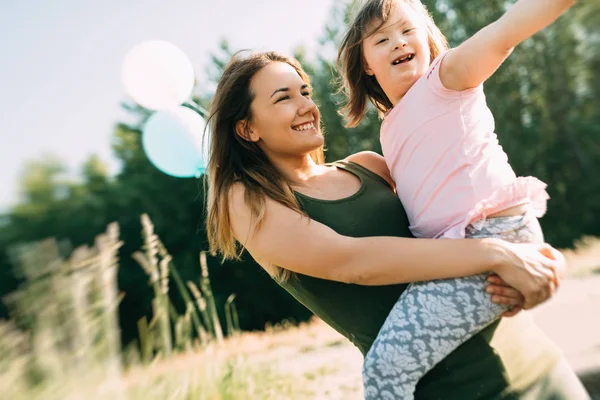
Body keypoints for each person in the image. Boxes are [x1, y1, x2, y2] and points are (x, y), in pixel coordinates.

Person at [205, 50, 587, 399]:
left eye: (304, 92)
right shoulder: (247, 201)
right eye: (283, 97)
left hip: (541, 370)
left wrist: (536, 259)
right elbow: (353, 263)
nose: (306, 105)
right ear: (247, 129)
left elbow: (470, 210)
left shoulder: (371, 165)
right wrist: (496, 254)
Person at [336, 0, 588, 398]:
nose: (398, 42)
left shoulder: (446, 77)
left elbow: (505, 34)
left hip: (494, 235)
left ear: (426, 36)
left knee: (386, 369)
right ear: (365, 63)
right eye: (381, 39)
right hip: (465, 251)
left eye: (407, 30)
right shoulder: (390, 127)